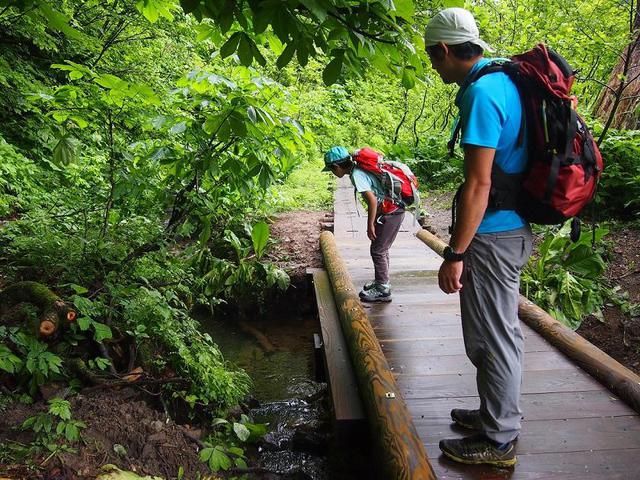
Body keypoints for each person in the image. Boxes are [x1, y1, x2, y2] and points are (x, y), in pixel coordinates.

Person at [424, 8, 533, 467]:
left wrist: (455, 253)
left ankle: (498, 440)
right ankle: (495, 414)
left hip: (492, 235)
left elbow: (478, 184)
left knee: (490, 338)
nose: (433, 65)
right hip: (513, 227)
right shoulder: (505, 80)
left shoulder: (482, 93)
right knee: (501, 332)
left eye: (432, 57)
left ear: (445, 50)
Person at [322, 146, 405, 302]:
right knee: (381, 248)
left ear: (336, 166)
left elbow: (372, 200)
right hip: (393, 210)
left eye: (332, 170)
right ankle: (381, 281)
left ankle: (383, 288)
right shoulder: (359, 170)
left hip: (391, 212)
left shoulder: (357, 175)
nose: (334, 174)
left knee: (378, 250)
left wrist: (370, 224)